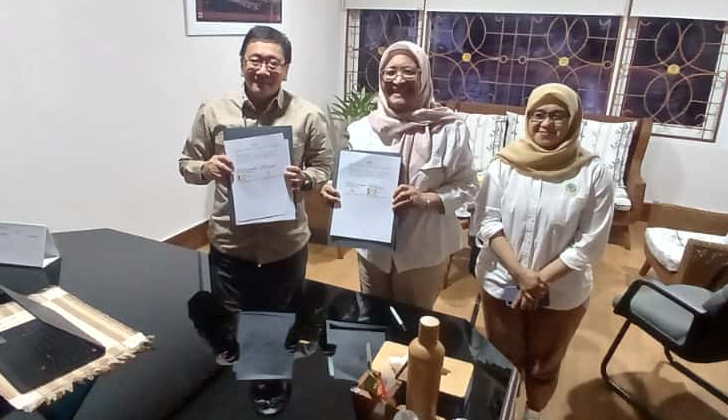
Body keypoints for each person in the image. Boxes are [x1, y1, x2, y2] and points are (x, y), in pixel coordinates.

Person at [178, 25, 333, 357]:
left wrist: (305, 179)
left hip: (285, 246)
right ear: (242, 64)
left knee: (282, 330)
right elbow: (186, 164)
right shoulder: (213, 111)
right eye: (255, 60)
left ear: (286, 70)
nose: (263, 70)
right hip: (230, 246)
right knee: (232, 334)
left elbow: (323, 167)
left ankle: (274, 379)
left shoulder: (308, 115)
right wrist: (206, 168)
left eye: (273, 62)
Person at [474, 83, 614, 420]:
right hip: (503, 281)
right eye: (538, 114)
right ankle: (501, 412)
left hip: (561, 291)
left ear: (573, 121)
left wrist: (538, 281)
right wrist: (521, 275)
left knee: (543, 364)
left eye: (557, 116)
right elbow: (488, 221)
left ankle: (532, 412)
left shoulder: (593, 173)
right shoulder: (504, 164)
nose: (546, 123)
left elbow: (590, 242)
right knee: (502, 358)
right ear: (527, 118)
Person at [320, 41, 476, 310]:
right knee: (372, 316)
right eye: (390, 72)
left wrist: (426, 199)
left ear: (423, 76)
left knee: (412, 322)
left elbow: (468, 185)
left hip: (423, 251)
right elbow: (352, 178)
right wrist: (333, 189)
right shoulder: (363, 129)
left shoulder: (450, 130)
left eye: (408, 71)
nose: (398, 80)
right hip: (372, 250)